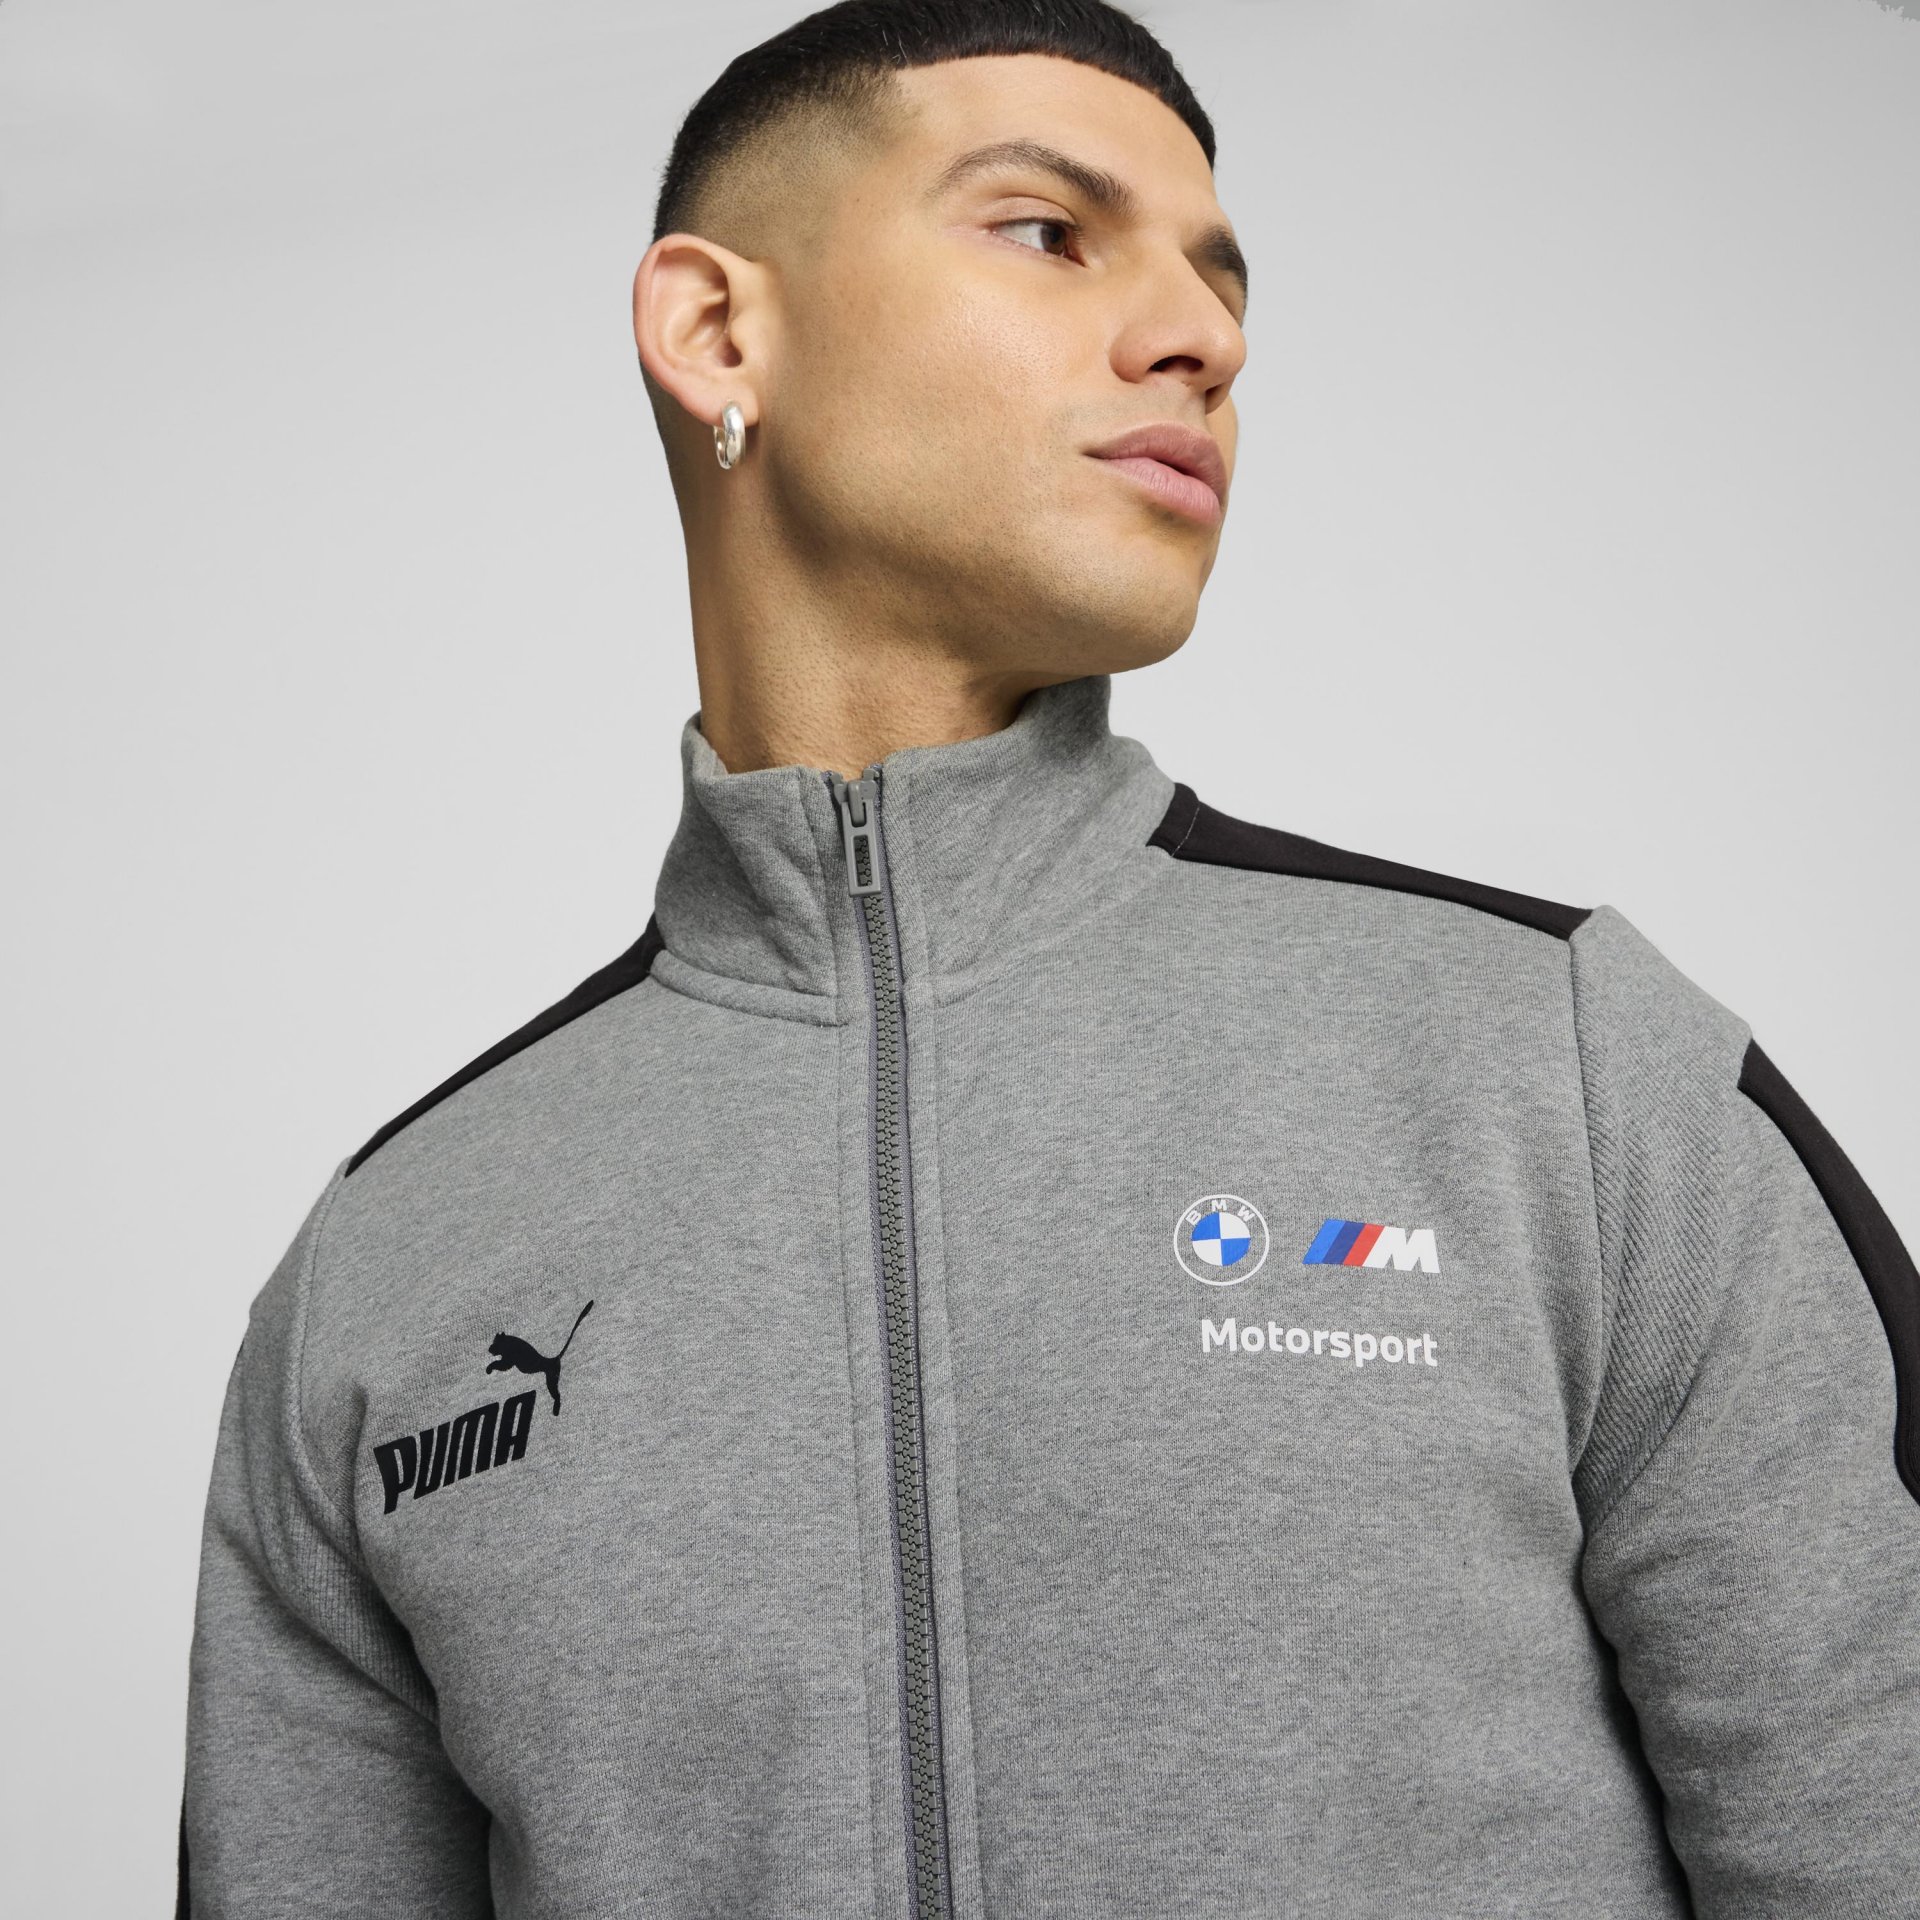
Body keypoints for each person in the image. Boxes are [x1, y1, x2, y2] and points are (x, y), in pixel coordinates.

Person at [175, 3, 1920, 1916]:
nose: (1203, 338)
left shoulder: (1568, 1076)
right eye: (1050, 231)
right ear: (717, 332)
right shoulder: (395, 1268)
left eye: (1221, 282)